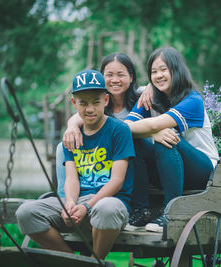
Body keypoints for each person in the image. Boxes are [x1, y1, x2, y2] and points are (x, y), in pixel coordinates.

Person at [16, 70, 135, 260]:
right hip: (79, 201)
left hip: (109, 202)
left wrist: (87, 207)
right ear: (74, 103)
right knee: (25, 213)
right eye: (83, 103)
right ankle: (74, 262)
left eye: (96, 102)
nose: (89, 109)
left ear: (106, 100)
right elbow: (71, 178)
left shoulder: (119, 130)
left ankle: (96, 261)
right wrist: (69, 202)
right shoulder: (71, 137)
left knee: (107, 209)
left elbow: (117, 181)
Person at [125, 47, 219, 233]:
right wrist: (152, 133)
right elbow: (125, 127)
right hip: (167, 170)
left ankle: (170, 212)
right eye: (153, 72)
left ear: (176, 71)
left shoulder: (193, 100)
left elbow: (155, 126)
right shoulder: (149, 99)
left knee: (166, 135)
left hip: (202, 172)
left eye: (163, 69)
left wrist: (153, 131)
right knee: (131, 141)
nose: (158, 75)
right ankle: (141, 210)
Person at [58, 52, 142, 198]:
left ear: (131, 77)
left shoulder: (142, 96)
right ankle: (65, 198)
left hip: (134, 154)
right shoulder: (95, 105)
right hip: (107, 153)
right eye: (109, 75)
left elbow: (155, 91)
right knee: (62, 147)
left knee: (131, 144)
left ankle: (138, 203)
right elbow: (80, 115)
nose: (115, 80)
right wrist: (71, 127)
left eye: (120, 75)